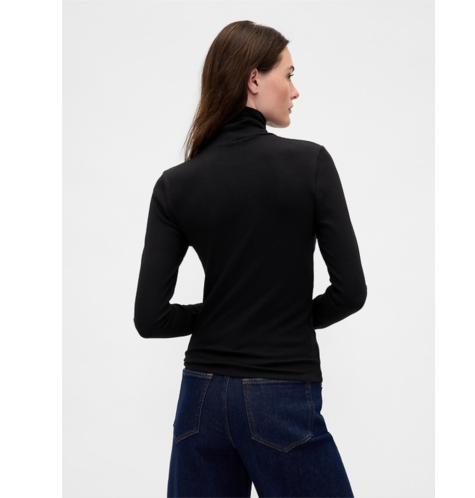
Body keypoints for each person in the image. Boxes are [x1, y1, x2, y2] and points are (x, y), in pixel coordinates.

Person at [134, 20, 367, 498]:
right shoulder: (310, 164)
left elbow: (150, 319)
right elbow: (351, 292)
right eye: (289, 74)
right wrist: (286, 317)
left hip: (200, 400)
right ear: (254, 79)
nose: (295, 90)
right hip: (280, 395)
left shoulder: (176, 184)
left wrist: (220, 314)